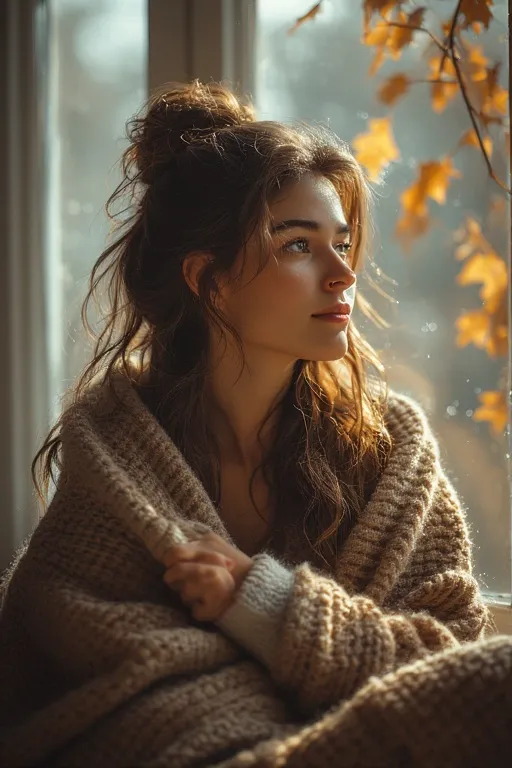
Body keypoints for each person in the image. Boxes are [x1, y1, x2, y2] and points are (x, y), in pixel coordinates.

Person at [0, 80, 511, 768]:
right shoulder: (117, 474)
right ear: (207, 280)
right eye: (299, 246)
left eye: (342, 242)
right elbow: (77, 699)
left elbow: (449, 667)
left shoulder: (390, 458)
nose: (341, 276)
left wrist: (267, 607)